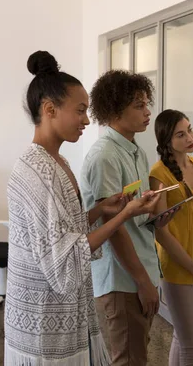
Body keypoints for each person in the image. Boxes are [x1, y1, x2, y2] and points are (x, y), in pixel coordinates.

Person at [5, 51, 160, 366]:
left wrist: (100, 210)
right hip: (43, 318)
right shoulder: (39, 170)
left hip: (62, 311)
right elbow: (62, 257)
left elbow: (66, 228)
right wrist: (123, 215)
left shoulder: (57, 162)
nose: (87, 121)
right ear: (49, 110)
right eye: (80, 111)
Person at [80, 70, 174, 366]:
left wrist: (155, 211)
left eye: (147, 103)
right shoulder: (105, 156)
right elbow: (114, 229)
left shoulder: (136, 152)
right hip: (123, 278)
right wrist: (144, 282)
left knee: (137, 354)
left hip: (141, 267)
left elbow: (131, 214)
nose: (148, 112)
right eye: (139, 106)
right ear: (114, 110)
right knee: (129, 359)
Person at [149, 110, 193, 366]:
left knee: (184, 337)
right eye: (181, 134)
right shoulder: (159, 174)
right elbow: (161, 231)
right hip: (178, 266)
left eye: (189, 130)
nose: (190, 137)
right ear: (167, 141)